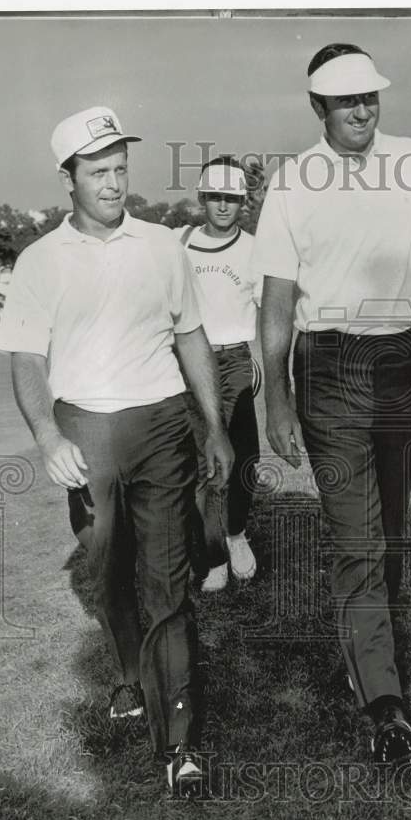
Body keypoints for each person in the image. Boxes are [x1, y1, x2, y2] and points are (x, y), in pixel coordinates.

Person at [251, 43, 411, 767]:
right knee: (355, 537)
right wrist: (276, 400)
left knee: (389, 521)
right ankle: (384, 703)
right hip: (327, 361)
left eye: (370, 98)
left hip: (406, 359)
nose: (361, 111)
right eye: (345, 102)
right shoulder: (292, 181)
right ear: (317, 108)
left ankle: (367, 642)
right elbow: (274, 300)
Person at [0, 106, 233, 796]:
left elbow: (190, 336)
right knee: (107, 564)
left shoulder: (163, 246)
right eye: (98, 171)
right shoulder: (40, 261)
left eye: (121, 168)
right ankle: (128, 672)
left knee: (167, 578)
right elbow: (26, 360)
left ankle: (178, 744)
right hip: (83, 427)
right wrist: (47, 436)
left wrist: (213, 425)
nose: (113, 182)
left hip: (159, 422)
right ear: (69, 178)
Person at [175, 157, 261, 592]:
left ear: (242, 201)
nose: (224, 207)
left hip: (236, 359)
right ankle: (211, 554)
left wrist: (261, 360)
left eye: (232, 198)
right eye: (216, 198)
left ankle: (235, 534)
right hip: (191, 362)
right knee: (201, 460)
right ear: (202, 199)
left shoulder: (253, 248)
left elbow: (266, 312)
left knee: (244, 456)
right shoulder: (179, 242)